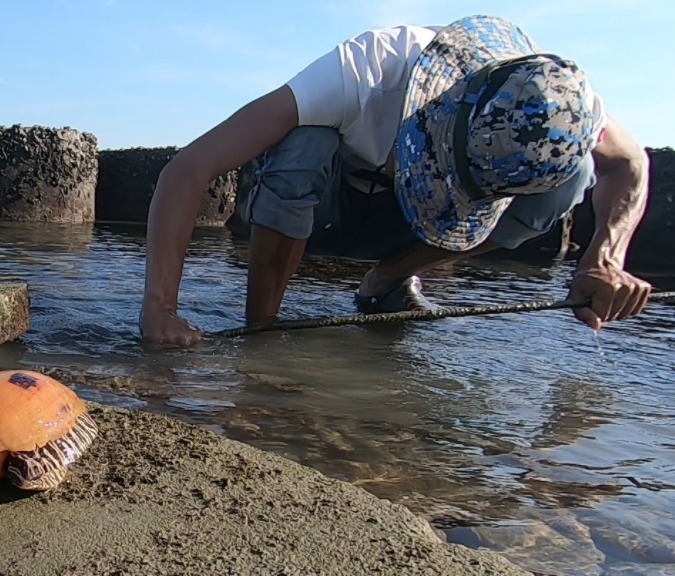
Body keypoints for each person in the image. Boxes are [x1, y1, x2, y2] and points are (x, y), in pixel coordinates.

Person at [139, 14, 652, 347]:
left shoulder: (561, 114)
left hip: (407, 233)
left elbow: (631, 164)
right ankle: (263, 328)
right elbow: (188, 169)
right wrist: (160, 308)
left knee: (573, 178)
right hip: (325, 213)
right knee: (305, 142)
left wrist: (603, 259)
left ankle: (386, 280)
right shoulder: (370, 69)